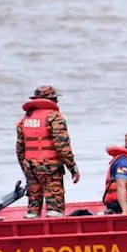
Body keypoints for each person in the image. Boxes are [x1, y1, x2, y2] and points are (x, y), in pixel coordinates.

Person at [15, 85, 80, 218]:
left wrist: (25, 168)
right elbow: (62, 146)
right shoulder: (54, 117)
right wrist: (72, 168)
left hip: (30, 166)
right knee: (54, 209)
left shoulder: (26, 119)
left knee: (33, 208)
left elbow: (20, 148)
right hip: (50, 167)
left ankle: (31, 231)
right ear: (52, 99)